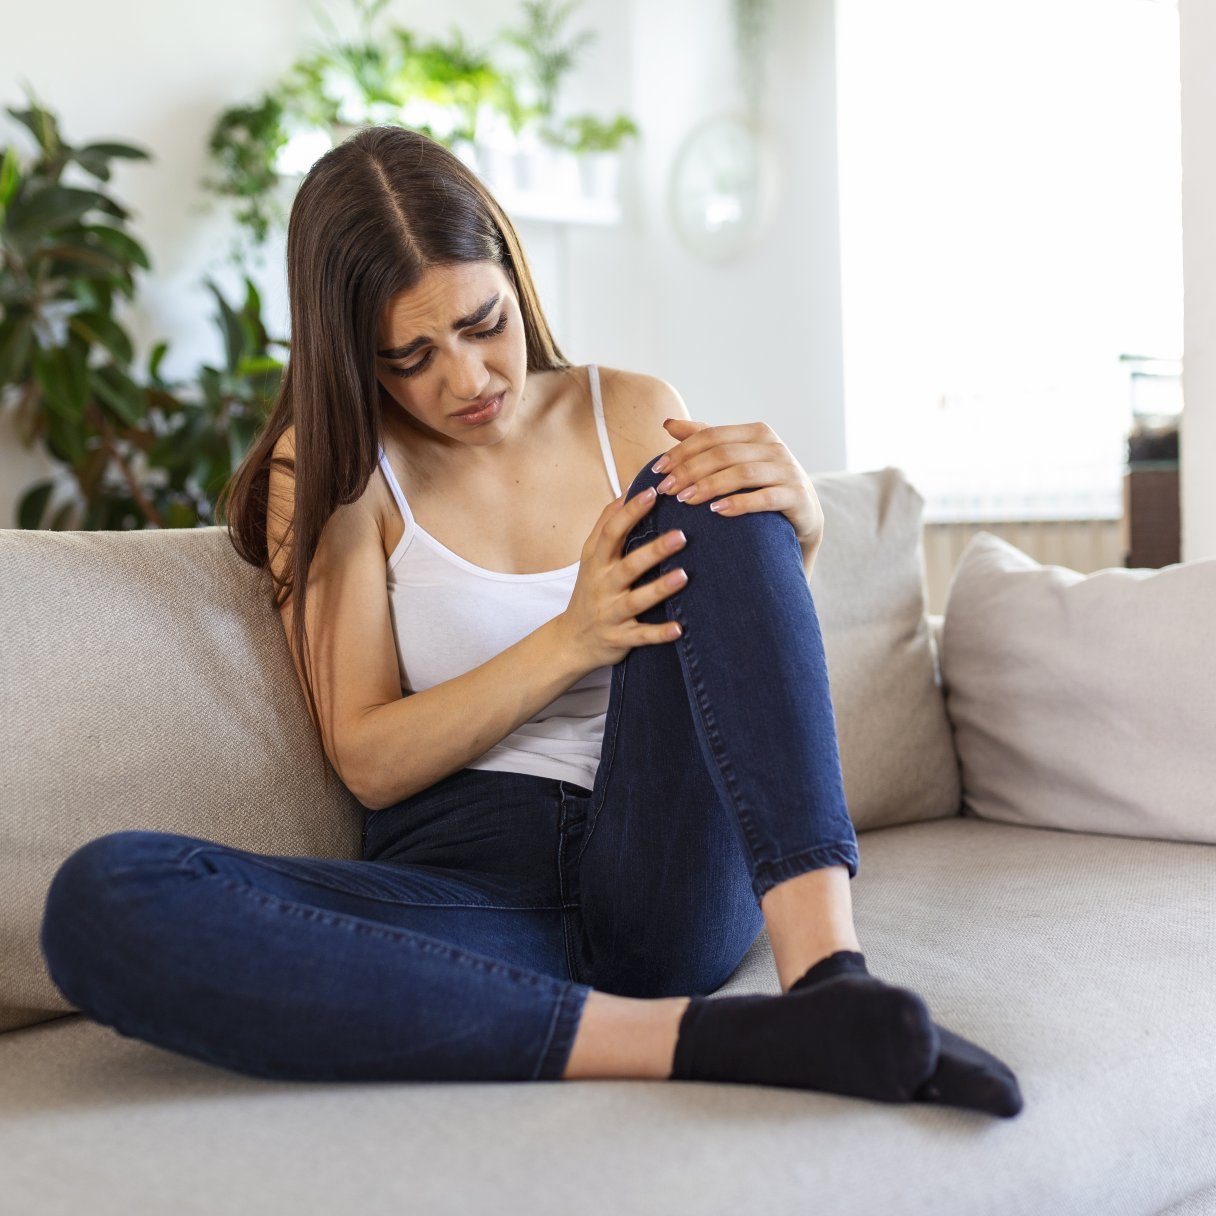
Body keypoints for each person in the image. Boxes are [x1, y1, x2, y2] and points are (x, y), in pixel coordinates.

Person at [39, 125, 1021, 1117]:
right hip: (468, 891)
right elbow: (369, 756)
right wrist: (570, 637)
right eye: (410, 356)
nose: (465, 378)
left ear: (513, 271)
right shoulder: (333, 472)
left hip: (666, 865)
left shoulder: (633, 411)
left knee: (708, 492)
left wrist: (792, 533)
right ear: (353, 356)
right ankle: (708, 1039)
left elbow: (728, 665)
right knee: (102, 900)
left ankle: (826, 985)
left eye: (482, 322)